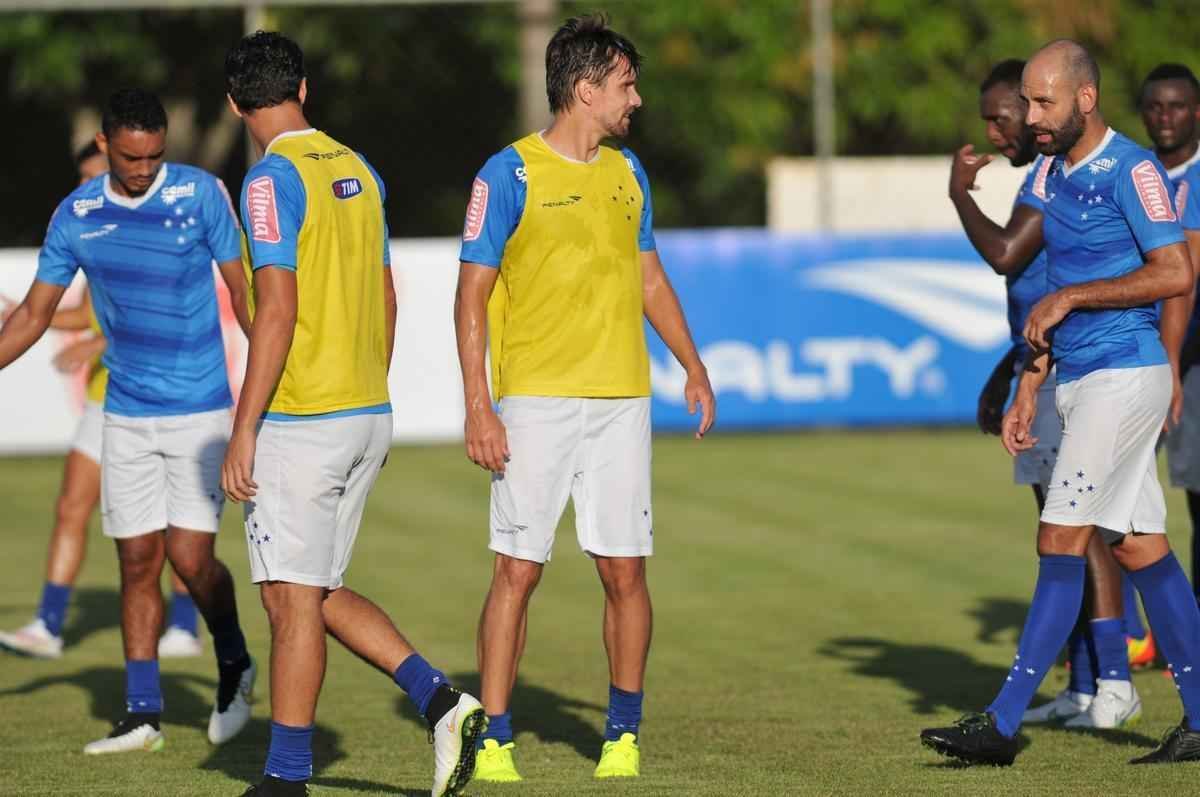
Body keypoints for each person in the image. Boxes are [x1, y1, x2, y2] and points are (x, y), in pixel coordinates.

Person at [921, 40, 1200, 766]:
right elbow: (1040, 282)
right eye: (1028, 101)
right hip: (1076, 376)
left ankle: (1002, 722)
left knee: (1059, 537)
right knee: (1139, 544)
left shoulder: (1133, 169)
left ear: (1085, 98)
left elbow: (1175, 272)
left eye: (1043, 102)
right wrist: (1031, 382)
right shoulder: (1049, 171)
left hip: (1125, 375)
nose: (1032, 116)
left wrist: (1073, 296)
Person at [221, 31, 484, 797]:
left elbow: (276, 311)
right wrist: (367, 389)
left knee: (289, 600)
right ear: (303, 88)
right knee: (311, 591)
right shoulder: (360, 170)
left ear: (234, 105)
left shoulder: (269, 181)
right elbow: (388, 297)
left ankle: (285, 778)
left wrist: (245, 427)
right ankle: (441, 701)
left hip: (303, 417)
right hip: (365, 407)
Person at [455, 13, 715, 783]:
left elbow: (649, 277)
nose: (637, 99)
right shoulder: (507, 174)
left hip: (621, 402)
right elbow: (471, 297)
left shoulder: (629, 173)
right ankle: (494, 737)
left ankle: (623, 734)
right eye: (626, 84)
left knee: (625, 572)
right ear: (586, 88)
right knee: (516, 571)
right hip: (534, 403)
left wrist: (692, 365)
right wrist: (479, 404)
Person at [0, 88, 256, 755]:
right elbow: (33, 315)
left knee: (190, 559)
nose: (144, 170)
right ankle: (142, 713)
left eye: (154, 157)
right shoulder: (77, 215)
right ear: (104, 146)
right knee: (136, 558)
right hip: (125, 412)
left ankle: (234, 657)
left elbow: (243, 289)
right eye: (131, 158)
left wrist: (271, 374)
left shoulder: (200, 194)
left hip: (200, 410)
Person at [949, 59, 1141, 728]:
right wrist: (1008, 373)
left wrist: (959, 196)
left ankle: (1114, 681)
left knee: (1083, 532)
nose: (1003, 129)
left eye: (1006, 115)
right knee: (1064, 527)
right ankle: (1084, 686)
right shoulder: (1047, 179)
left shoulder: (1063, 176)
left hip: (1079, 369)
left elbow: (1007, 254)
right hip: (1040, 368)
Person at [0, 141, 204, 661]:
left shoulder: (160, 229)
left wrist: (96, 342)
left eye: (95, 177)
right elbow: (88, 313)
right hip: (103, 397)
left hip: (161, 399)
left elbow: (167, 313)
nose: (86, 189)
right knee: (71, 506)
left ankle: (184, 626)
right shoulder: (91, 228)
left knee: (173, 523)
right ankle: (48, 625)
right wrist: (26, 313)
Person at [1145, 65, 1200, 605]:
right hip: (1137, 353)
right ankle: (1125, 631)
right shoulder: (1135, 174)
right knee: (1110, 495)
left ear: (1197, 112)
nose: (1165, 117)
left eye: (1177, 106)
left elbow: (1186, 281)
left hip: (1190, 357)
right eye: (1155, 107)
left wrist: (1173, 361)